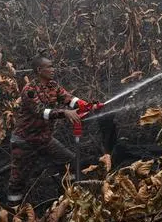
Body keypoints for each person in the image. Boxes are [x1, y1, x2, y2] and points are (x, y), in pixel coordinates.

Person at [8, 56, 103, 203]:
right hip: (24, 141)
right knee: (17, 180)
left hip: (44, 139)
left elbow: (69, 99)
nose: (53, 69)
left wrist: (86, 105)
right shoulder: (29, 91)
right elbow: (41, 112)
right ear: (39, 70)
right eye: (49, 67)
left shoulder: (53, 86)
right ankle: (13, 210)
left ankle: (66, 196)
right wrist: (64, 113)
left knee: (70, 161)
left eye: (53, 66)